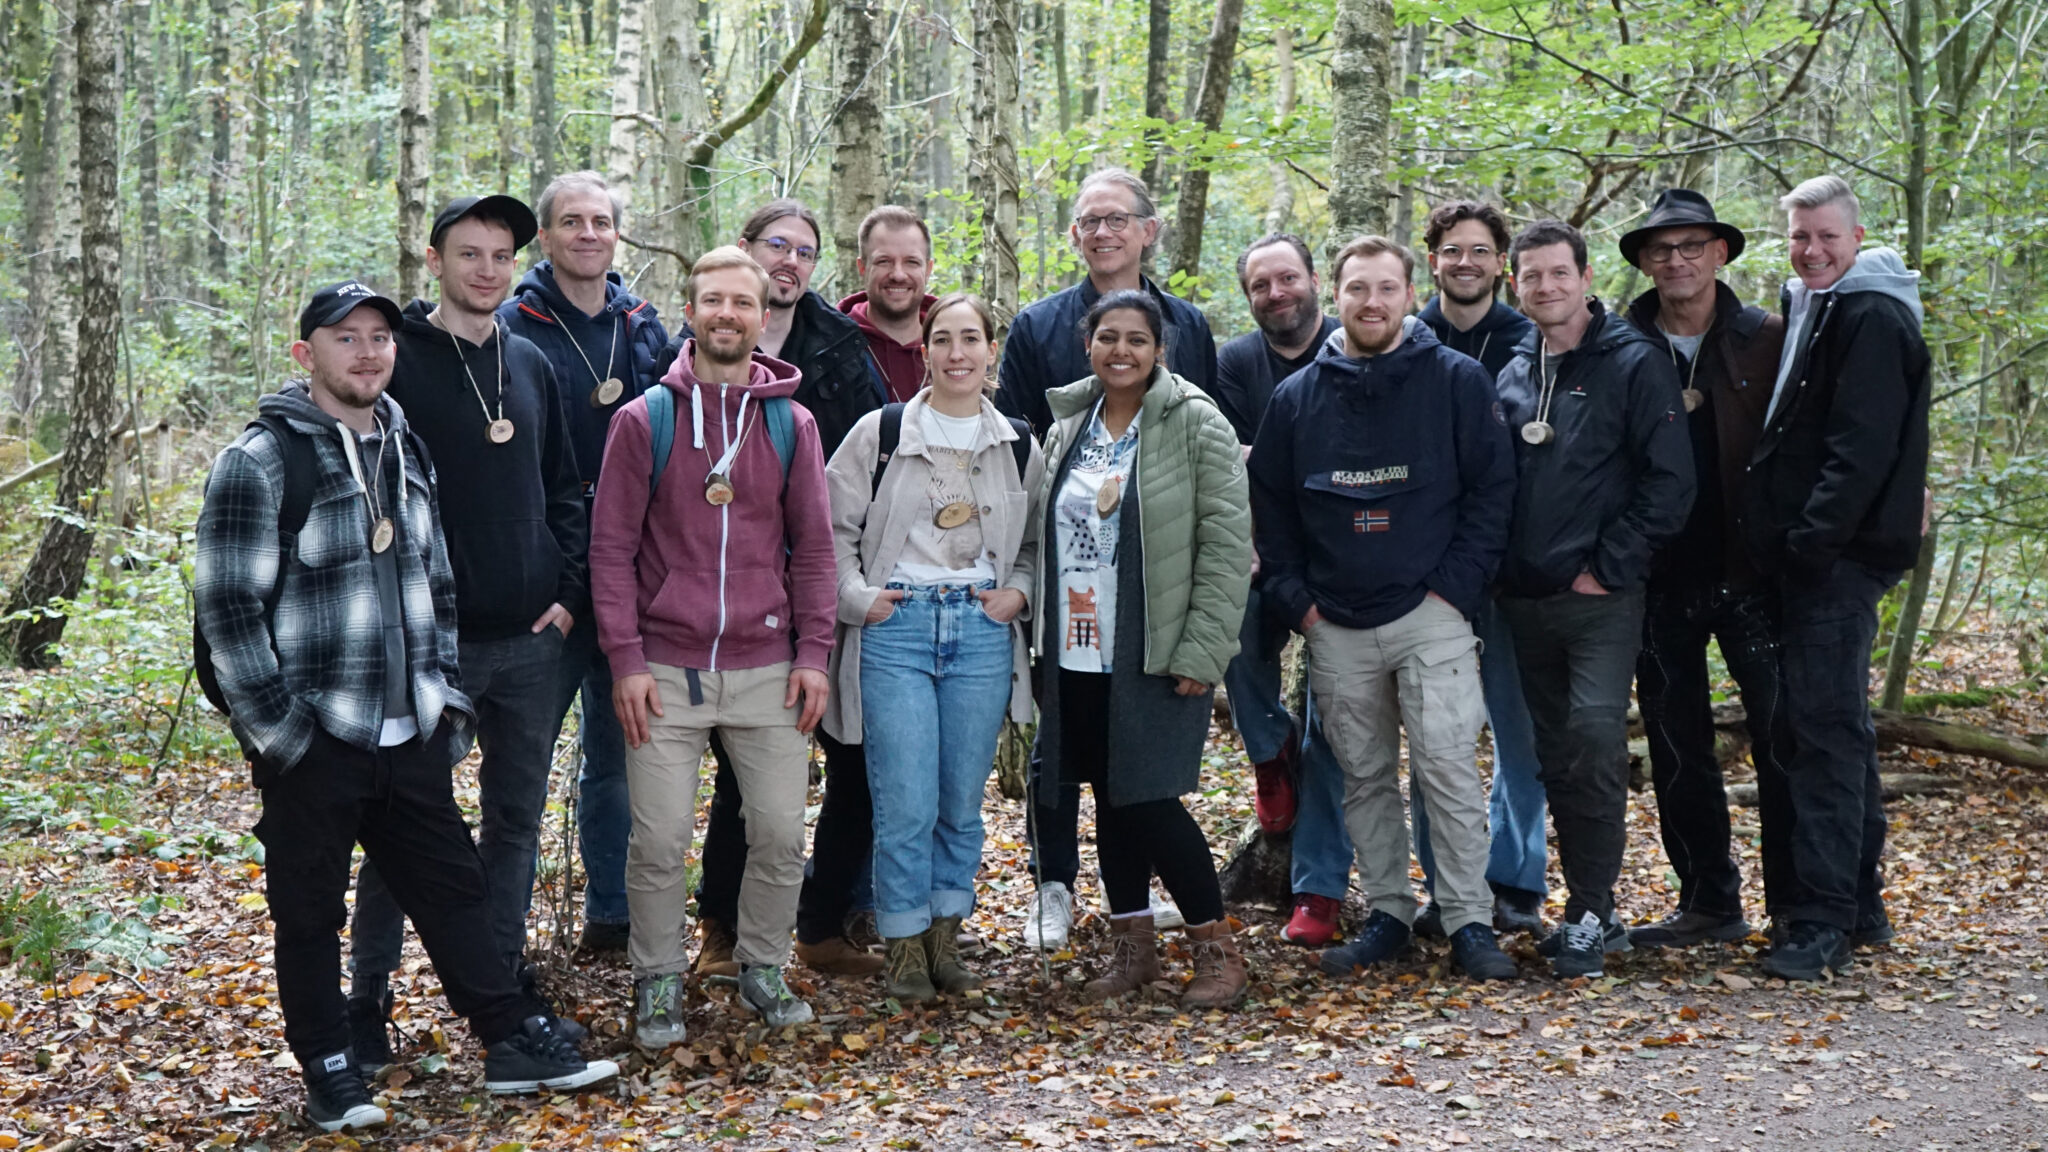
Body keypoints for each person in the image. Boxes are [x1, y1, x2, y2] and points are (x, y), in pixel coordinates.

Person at [195, 282, 616, 1132]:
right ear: (304, 352)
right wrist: (282, 734)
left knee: (453, 889)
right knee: (309, 911)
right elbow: (228, 612)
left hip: (409, 725)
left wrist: (441, 696)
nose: (366, 352)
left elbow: (435, 580)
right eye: (345, 338)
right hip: (317, 734)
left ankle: (509, 1038)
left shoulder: (402, 442)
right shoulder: (262, 460)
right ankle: (330, 1069)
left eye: (380, 337)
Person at [350, 194, 588, 1059]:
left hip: (530, 639)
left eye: (499, 255)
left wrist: (566, 590)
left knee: (514, 822)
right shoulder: (399, 360)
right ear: (434, 259)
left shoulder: (530, 363)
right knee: (403, 831)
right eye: (469, 254)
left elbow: (565, 487)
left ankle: (501, 993)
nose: (486, 269)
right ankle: (365, 1000)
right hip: (430, 647)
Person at [1248, 236, 1519, 982]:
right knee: (1364, 777)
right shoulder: (1297, 397)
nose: (1372, 302)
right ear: (1335, 296)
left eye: (1387, 289)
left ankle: (1469, 919)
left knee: (1447, 769)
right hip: (1334, 622)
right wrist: (1301, 607)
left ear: (1409, 293)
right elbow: (1268, 511)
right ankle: (1392, 914)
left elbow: (1494, 492)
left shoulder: (1457, 381)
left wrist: (1452, 590)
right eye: (1358, 289)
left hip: (1430, 613)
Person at [591, 245, 838, 1043]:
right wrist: (625, 660)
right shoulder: (645, 420)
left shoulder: (791, 422)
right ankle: (657, 978)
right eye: (713, 301)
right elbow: (610, 550)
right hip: (664, 667)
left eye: (743, 302)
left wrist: (814, 655)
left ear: (764, 318)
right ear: (690, 312)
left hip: (768, 666)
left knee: (775, 832)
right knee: (658, 838)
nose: (727, 314)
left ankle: (762, 965)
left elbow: (817, 549)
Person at [660, 199, 888, 981]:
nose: (790, 260)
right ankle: (722, 929)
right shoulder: (696, 352)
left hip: (827, 573)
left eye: (805, 251)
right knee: (740, 770)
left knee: (848, 759)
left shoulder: (841, 344)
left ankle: (821, 923)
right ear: (746, 254)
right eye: (776, 246)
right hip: (729, 593)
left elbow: (873, 456)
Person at [997, 167, 1217, 948]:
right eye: (1087, 220)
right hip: (1070, 615)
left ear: (1147, 230)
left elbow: (1217, 522)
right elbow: (1023, 463)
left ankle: (1205, 934)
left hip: (1148, 614)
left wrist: (1202, 638)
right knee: (1074, 762)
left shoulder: (1191, 368)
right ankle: (1076, 902)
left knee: (1142, 785)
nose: (1102, 233)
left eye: (1116, 219)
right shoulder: (1045, 355)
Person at [822, 292, 1046, 1001]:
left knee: (959, 803)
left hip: (981, 631)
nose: (957, 353)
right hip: (899, 630)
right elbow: (829, 531)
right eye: (942, 339)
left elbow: (1038, 543)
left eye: (970, 339)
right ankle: (904, 950)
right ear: (923, 353)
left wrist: (1018, 590)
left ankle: (946, 939)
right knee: (906, 801)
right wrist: (861, 600)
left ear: (990, 352)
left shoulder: (1017, 443)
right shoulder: (880, 433)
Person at [1033, 289, 1252, 1008]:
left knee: (1152, 798)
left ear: (1160, 349)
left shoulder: (1196, 422)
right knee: (1108, 796)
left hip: (1154, 644)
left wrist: (1204, 649)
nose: (1120, 350)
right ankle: (1133, 948)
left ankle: (1215, 945)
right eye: (1107, 338)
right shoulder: (1071, 422)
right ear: (1088, 345)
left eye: (1136, 339)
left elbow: (1225, 547)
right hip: (1074, 646)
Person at [1493, 220, 1694, 979]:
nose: (1546, 287)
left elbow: (1670, 482)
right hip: (1524, 599)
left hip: (1601, 598)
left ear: (1583, 278)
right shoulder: (1515, 369)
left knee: (1594, 737)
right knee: (1555, 756)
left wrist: (1607, 567)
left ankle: (1587, 908)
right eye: (1532, 276)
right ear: (1518, 285)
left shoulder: (1633, 364)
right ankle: (1593, 911)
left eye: (1558, 274)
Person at [1748, 176, 1929, 981]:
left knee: (1820, 735)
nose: (1812, 250)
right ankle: (1859, 904)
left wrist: (1809, 547)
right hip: (1820, 558)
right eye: (1798, 237)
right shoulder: (1816, 310)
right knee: (1833, 731)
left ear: (1857, 238)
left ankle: (1819, 920)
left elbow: (1860, 451)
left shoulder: (1871, 316)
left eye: (1826, 236)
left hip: (1838, 560)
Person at [499, 171, 671, 955]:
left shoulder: (643, 327)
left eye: (601, 221)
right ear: (546, 237)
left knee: (621, 757)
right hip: (547, 585)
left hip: (634, 584)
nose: (589, 234)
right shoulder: (512, 328)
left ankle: (613, 917)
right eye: (572, 222)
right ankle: (500, 938)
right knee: (521, 771)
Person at [1616, 189, 1791, 950]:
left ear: (1720, 253)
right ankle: (1708, 902)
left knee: (1785, 739)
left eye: (1692, 246)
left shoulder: (1770, 338)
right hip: (1657, 579)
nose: (1677, 260)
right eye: (1662, 249)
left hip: (1756, 573)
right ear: (1644, 263)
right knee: (1677, 746)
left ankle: (1802, 905)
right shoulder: (1620, 346)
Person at [1405, 200, 1548, 941]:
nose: (1466, 262)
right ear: (1431, 260)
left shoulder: (1535, 340)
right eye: (1452, 251)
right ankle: (1444, 885)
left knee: (1519, 736)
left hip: (1517, 572)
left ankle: (1518, 881)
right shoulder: (1405, 338)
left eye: (1481, 251)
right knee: (1438, 739)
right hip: (1430, 574)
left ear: (1502, 264)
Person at [1211, 233, 1350, 949]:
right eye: (1261, 285)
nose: (1277, 294)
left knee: (1334, 725)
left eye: (1287, 278)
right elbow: (1233, 464)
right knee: (1227, 623)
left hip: (1342, 562)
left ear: (1314, 280)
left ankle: (1320, 887)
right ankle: (1268, 750)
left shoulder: (1349, 346)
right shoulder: (1237, 361)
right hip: (1264, 552)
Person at [839, 205, 938, 402]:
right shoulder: (835, 346)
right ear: (862, 267)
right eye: (884, 261)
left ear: (928, 269)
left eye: (911, 262)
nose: (898, 275)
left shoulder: (955, 345)